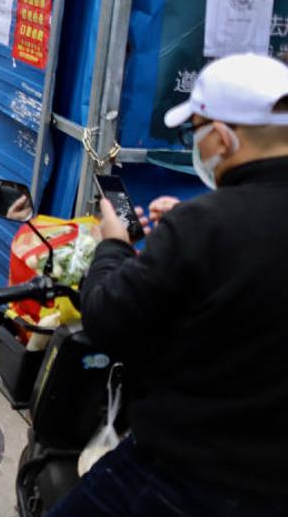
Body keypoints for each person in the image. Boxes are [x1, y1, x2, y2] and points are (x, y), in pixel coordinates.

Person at [50, 53, 288, 517]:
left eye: (195, 131)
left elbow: (107, 317)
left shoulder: (205, 226)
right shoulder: (203, 224)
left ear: (221, 138)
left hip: (184, 474)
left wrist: (113, 245)